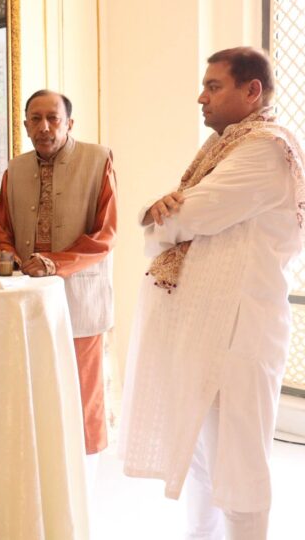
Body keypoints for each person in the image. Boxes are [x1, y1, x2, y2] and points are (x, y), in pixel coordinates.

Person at [119, 47, 305, 539]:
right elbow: (174, 215)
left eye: (213, 86)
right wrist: (161, 217)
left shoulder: (266, 149)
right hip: (208, 330)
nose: (201, 97)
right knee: (200, 460)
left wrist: (159, 222)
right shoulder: (225, 149)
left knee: (239, 471)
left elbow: (188, 216)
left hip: (240, 332)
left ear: (252, 91)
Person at [0, 90, 117, 463]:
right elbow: (1, 229)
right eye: (35, 119)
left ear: (69, 123)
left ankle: (82, 498)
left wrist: (54, 263)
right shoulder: (15, 169)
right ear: (25, 125)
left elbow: (105, 235)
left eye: (53, 119)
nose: (44, 127)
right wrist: (6, 256)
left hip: (80, 302)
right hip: (25, 302)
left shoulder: (98, 160)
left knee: (82, 403)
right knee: (34, 394)